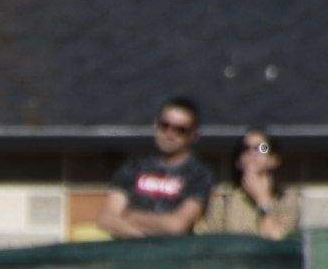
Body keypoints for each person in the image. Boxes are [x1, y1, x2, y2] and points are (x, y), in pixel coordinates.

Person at [100, 97, 213, 239]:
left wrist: (130, 215)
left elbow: (177, 226)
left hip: (172, 258)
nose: (170, 134)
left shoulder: (199, 175)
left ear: (193, 135)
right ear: (155, 125)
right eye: (164, 125)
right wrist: (144, 242)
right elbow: (108, 219)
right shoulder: (133, 167)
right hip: (127, 256)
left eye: (180, 130)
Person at [206, 128, 299, 240]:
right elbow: (211, 240)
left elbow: (276, 237)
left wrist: (262, 200)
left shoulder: (286, 198)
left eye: (262, 148)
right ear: (238, 161)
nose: (252, 152)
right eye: (245, 148)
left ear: (274, 160)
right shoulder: (223, 196)